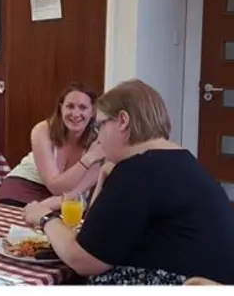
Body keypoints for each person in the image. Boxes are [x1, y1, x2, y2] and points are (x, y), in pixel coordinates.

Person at [23, 79, 234, 285]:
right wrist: (103, 178)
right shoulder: (181, 161)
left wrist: (44, 218)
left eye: (99, 126)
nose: (98, 138)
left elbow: (84, 259)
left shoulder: (138, 172)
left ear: (123, 121)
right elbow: (94, 234)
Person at [0, 82, 104, 208]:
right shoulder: (43, 130)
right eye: (70, 106)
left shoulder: (101, 141)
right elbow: (55, 187)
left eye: (83, 107)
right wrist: (87, 159)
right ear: (61, 108)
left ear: (92, 111)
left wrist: (54, 203)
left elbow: (75, 192)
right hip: (25, 186)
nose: (75, 114)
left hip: (67, 198)